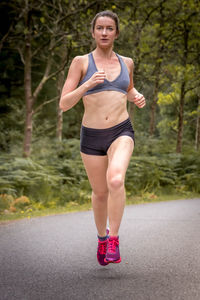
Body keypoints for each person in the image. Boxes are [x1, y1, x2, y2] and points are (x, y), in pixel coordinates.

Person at [59, 10, 146, 266]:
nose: (105, 33)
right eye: (100, 28)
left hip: (121, 131)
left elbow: (127, 89)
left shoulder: (127, 62)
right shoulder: (81, 62)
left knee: (116, 180)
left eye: (109, 28)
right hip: (92, 136)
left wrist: (137, 96)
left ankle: (115, 240)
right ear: (93, 32)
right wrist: (86, 85)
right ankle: (101, 238)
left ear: (116, 33)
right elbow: (64, 103)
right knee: (99, 193)